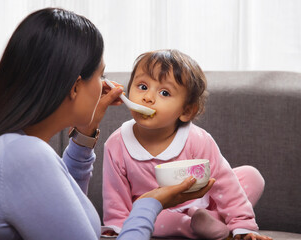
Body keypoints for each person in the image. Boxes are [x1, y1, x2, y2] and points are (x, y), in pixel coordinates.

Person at [0, 8, 215, 240]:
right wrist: (149, 203)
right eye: (100, 74)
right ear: (74, 87)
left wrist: (85, 135)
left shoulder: (13, 147)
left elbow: (64, 207)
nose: (107, 85)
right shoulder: (24, 156)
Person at [102, 49, 273, 240]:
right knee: (151, 218)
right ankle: (196, 227)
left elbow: (224, 183)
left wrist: (243, 226)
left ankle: (213, 220)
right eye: (142, 86)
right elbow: (115, 196)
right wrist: (116, 226)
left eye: (164, 92)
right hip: (159, 211)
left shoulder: (198, 139)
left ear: (186, 111)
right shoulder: (116, 144)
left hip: (202, 201)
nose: (148, 97)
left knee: (251, 176)